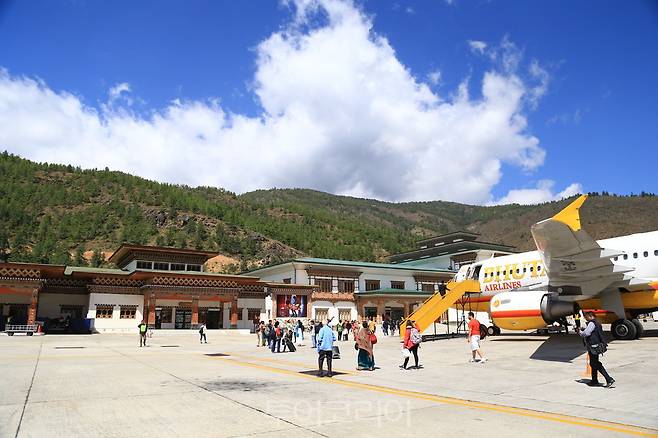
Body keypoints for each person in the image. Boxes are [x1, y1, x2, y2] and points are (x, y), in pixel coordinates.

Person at [579, 311, 615, 388]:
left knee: (595, 364)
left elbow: (587, 333)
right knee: (593, 363)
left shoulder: (592, 323)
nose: (586, 319)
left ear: (591, 316)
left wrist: (580, 332)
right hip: (597, 346)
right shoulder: (597, 323)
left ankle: (609, 379)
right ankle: (594, 380)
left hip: (593, 346)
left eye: (586, 317)